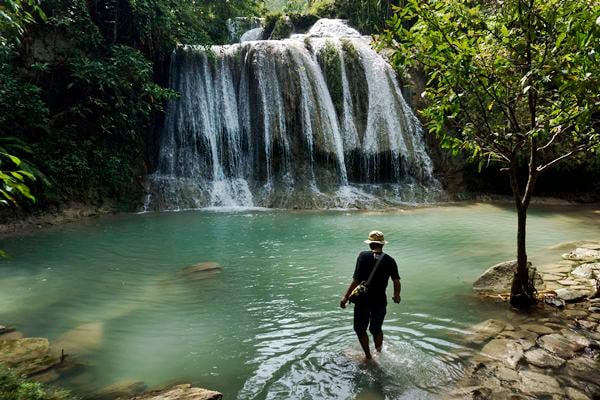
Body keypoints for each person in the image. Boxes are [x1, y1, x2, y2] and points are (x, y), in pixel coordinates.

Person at [340, 230, 401, 360]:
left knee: (360, 329)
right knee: (376, 329)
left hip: (363, 300)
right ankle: (379, 353)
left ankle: (368, 357)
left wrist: (345, 297)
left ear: (370, 244)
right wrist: (397, 296)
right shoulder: (390, 260)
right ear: (382, 245)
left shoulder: (363, 256)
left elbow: (356, 279)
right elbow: (396, 281)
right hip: (379, 300)